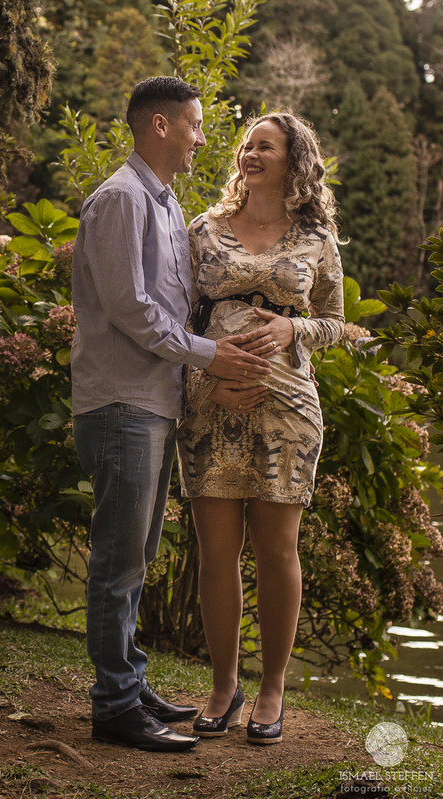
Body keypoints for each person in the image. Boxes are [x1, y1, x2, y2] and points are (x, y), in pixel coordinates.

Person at [70, 76, 273, 753]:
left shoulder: (163, 204)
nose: (201, 137)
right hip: (121, 401)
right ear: (158, 126)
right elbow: (132, 310)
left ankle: (128, 680)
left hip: (153, 403)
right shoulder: (122, 200)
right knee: (119, 559)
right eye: (193, 123)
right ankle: (115, 704)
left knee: (138, 553)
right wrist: (209, 356)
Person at [178, 112, 345, 745]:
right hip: (209, 399)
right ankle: (224, 684)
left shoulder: (315, 240)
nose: (249, 155)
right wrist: (206, 379)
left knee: (277, 551)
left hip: (288, 408)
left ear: (292, 160)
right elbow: (176, 317)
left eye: (264, 147)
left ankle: (272, 690)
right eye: (246, 146)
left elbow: (336, 323)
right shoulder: (204, 230)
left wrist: (293, 328)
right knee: (216, 552)